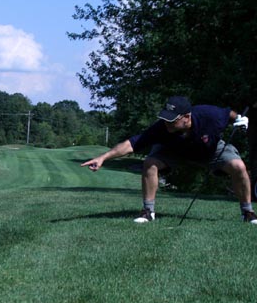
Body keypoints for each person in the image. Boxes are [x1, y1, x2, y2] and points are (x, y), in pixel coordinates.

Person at [81, 96, 255, 224]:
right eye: (165, 118)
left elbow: (228, 113)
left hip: (210, 150)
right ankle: (148, 212)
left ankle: (247, 213)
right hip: (174, 152)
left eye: (172, 120)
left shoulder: (209, 115)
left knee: (238, 166)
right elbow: (131, 144)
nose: (167, 123)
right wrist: (103, 157)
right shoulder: (162, 128)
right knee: (150, 163)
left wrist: (240, 119)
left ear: (187, 117)